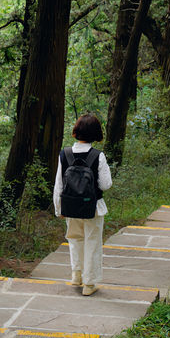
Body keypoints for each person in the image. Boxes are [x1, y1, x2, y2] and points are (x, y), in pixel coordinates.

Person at [53, 112, 112, 295]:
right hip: (92, 207)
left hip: (70, 207)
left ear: (76, 131)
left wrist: (58, 209)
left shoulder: (65, 154)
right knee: (92, 243)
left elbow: (59, 185)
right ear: (95, 133)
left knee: (75, 240)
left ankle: (76, 275)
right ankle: (89, 283)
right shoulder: (98, 156)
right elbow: (105, 184)